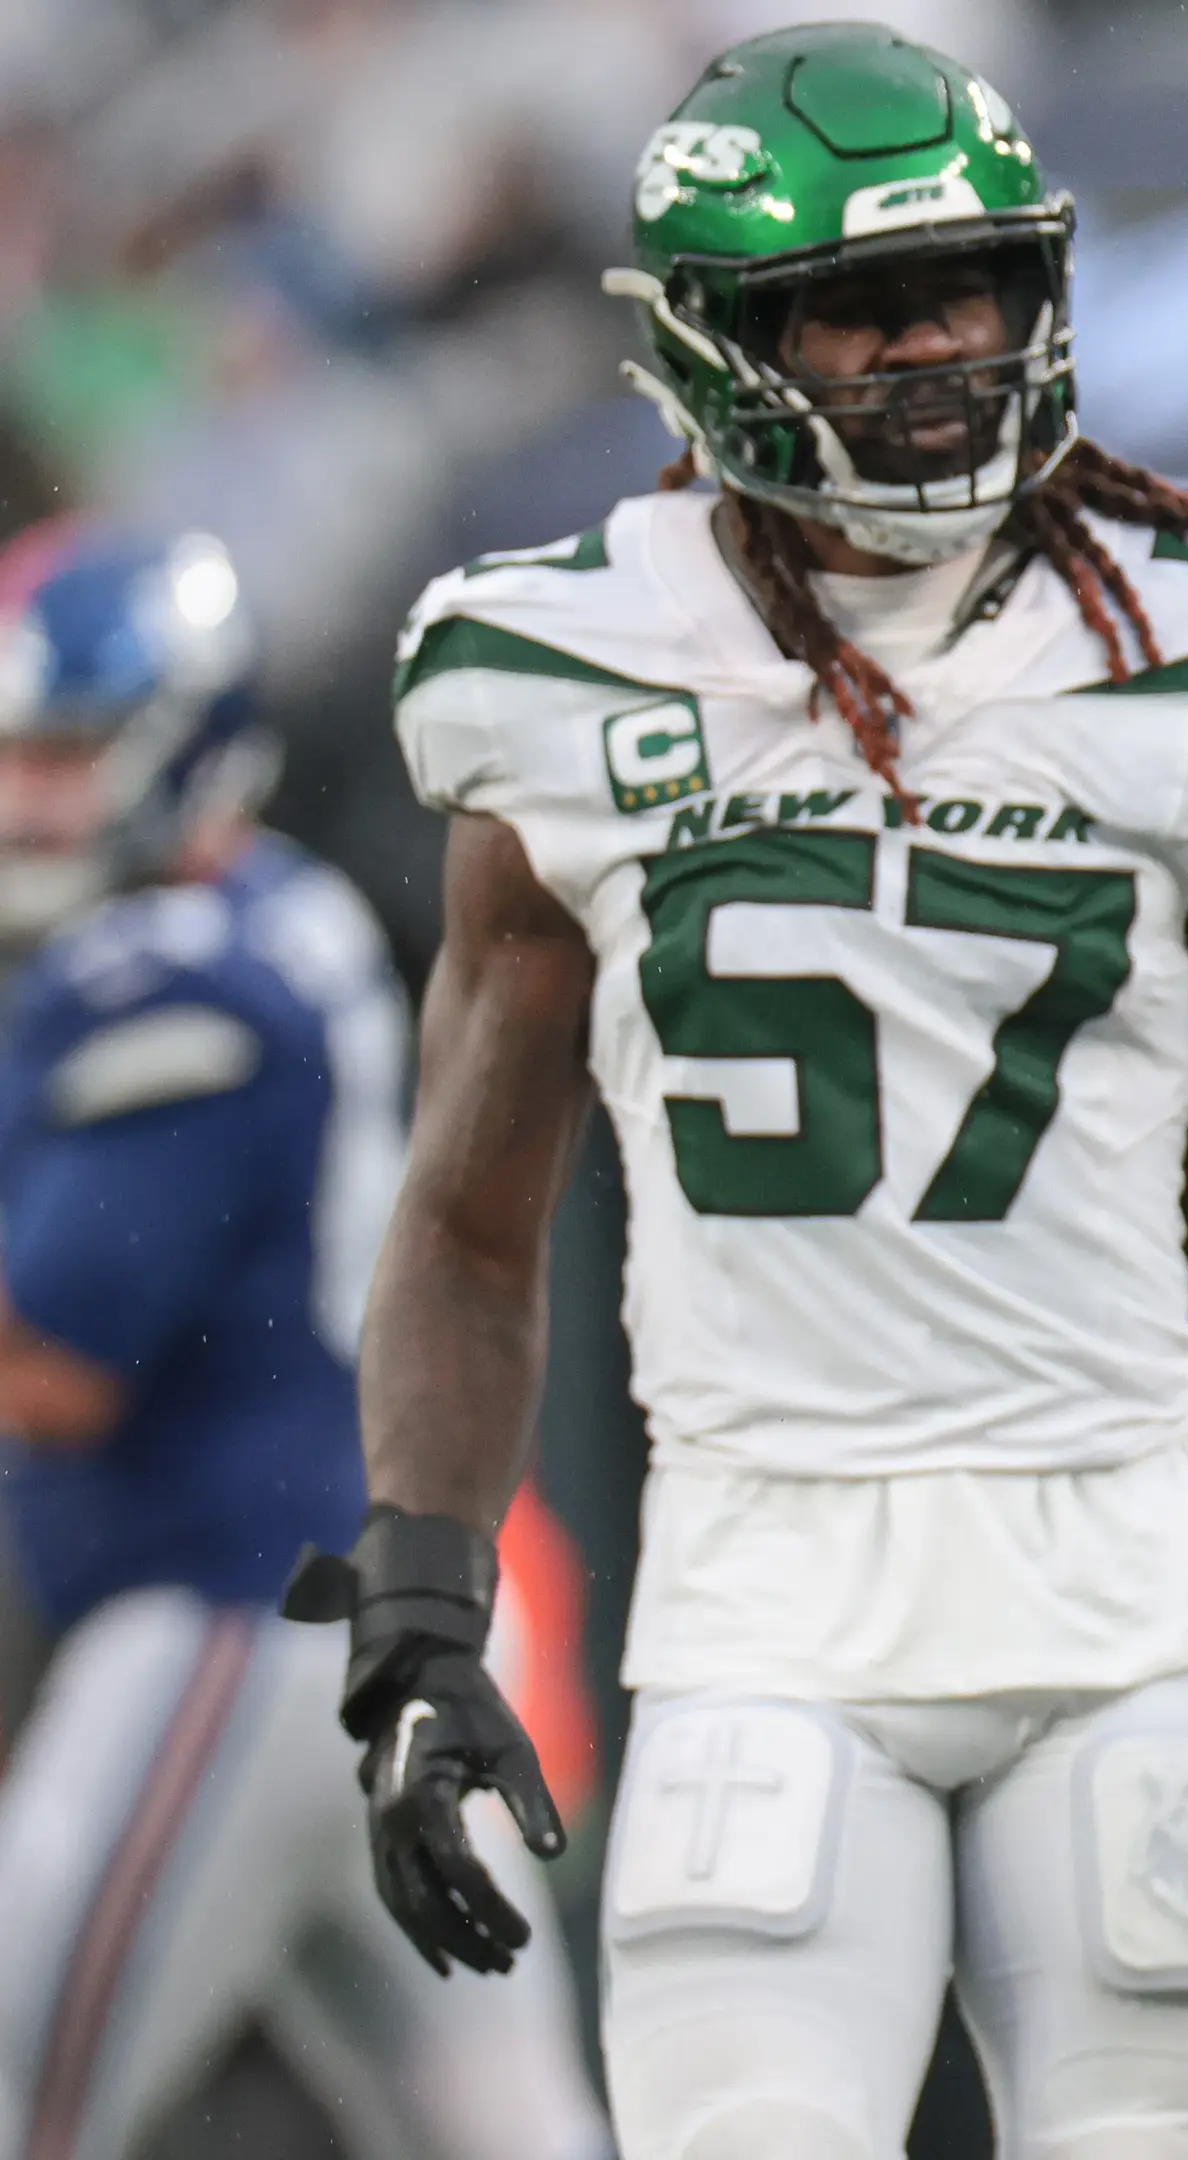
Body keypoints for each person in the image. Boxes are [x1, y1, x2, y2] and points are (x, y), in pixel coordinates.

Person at [277, 27, 1188, 2160]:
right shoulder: (557, 673)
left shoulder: (1184, 644)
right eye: (861, 302)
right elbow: (475, 1216)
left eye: (972, 287)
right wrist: (420, 1602)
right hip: (764, 1589)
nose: (935, 344)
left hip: (1134, 1599)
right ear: (714, 342)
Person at [0, 523, 608, 2160]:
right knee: (514, 2138)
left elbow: (51, 1366)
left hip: (227, 1623)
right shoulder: (271, 917)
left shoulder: (170, 981)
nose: (26, 803)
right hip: (373, 1631)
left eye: (57, 756)